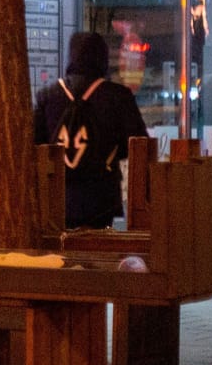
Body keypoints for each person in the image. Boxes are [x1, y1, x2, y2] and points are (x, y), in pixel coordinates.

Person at [33, 31, 149, 229]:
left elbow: (36, 145)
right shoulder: (118, 97)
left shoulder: (47, 96)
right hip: (101, 198)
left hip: (57, 197)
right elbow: (138, 144)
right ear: (102, 58)